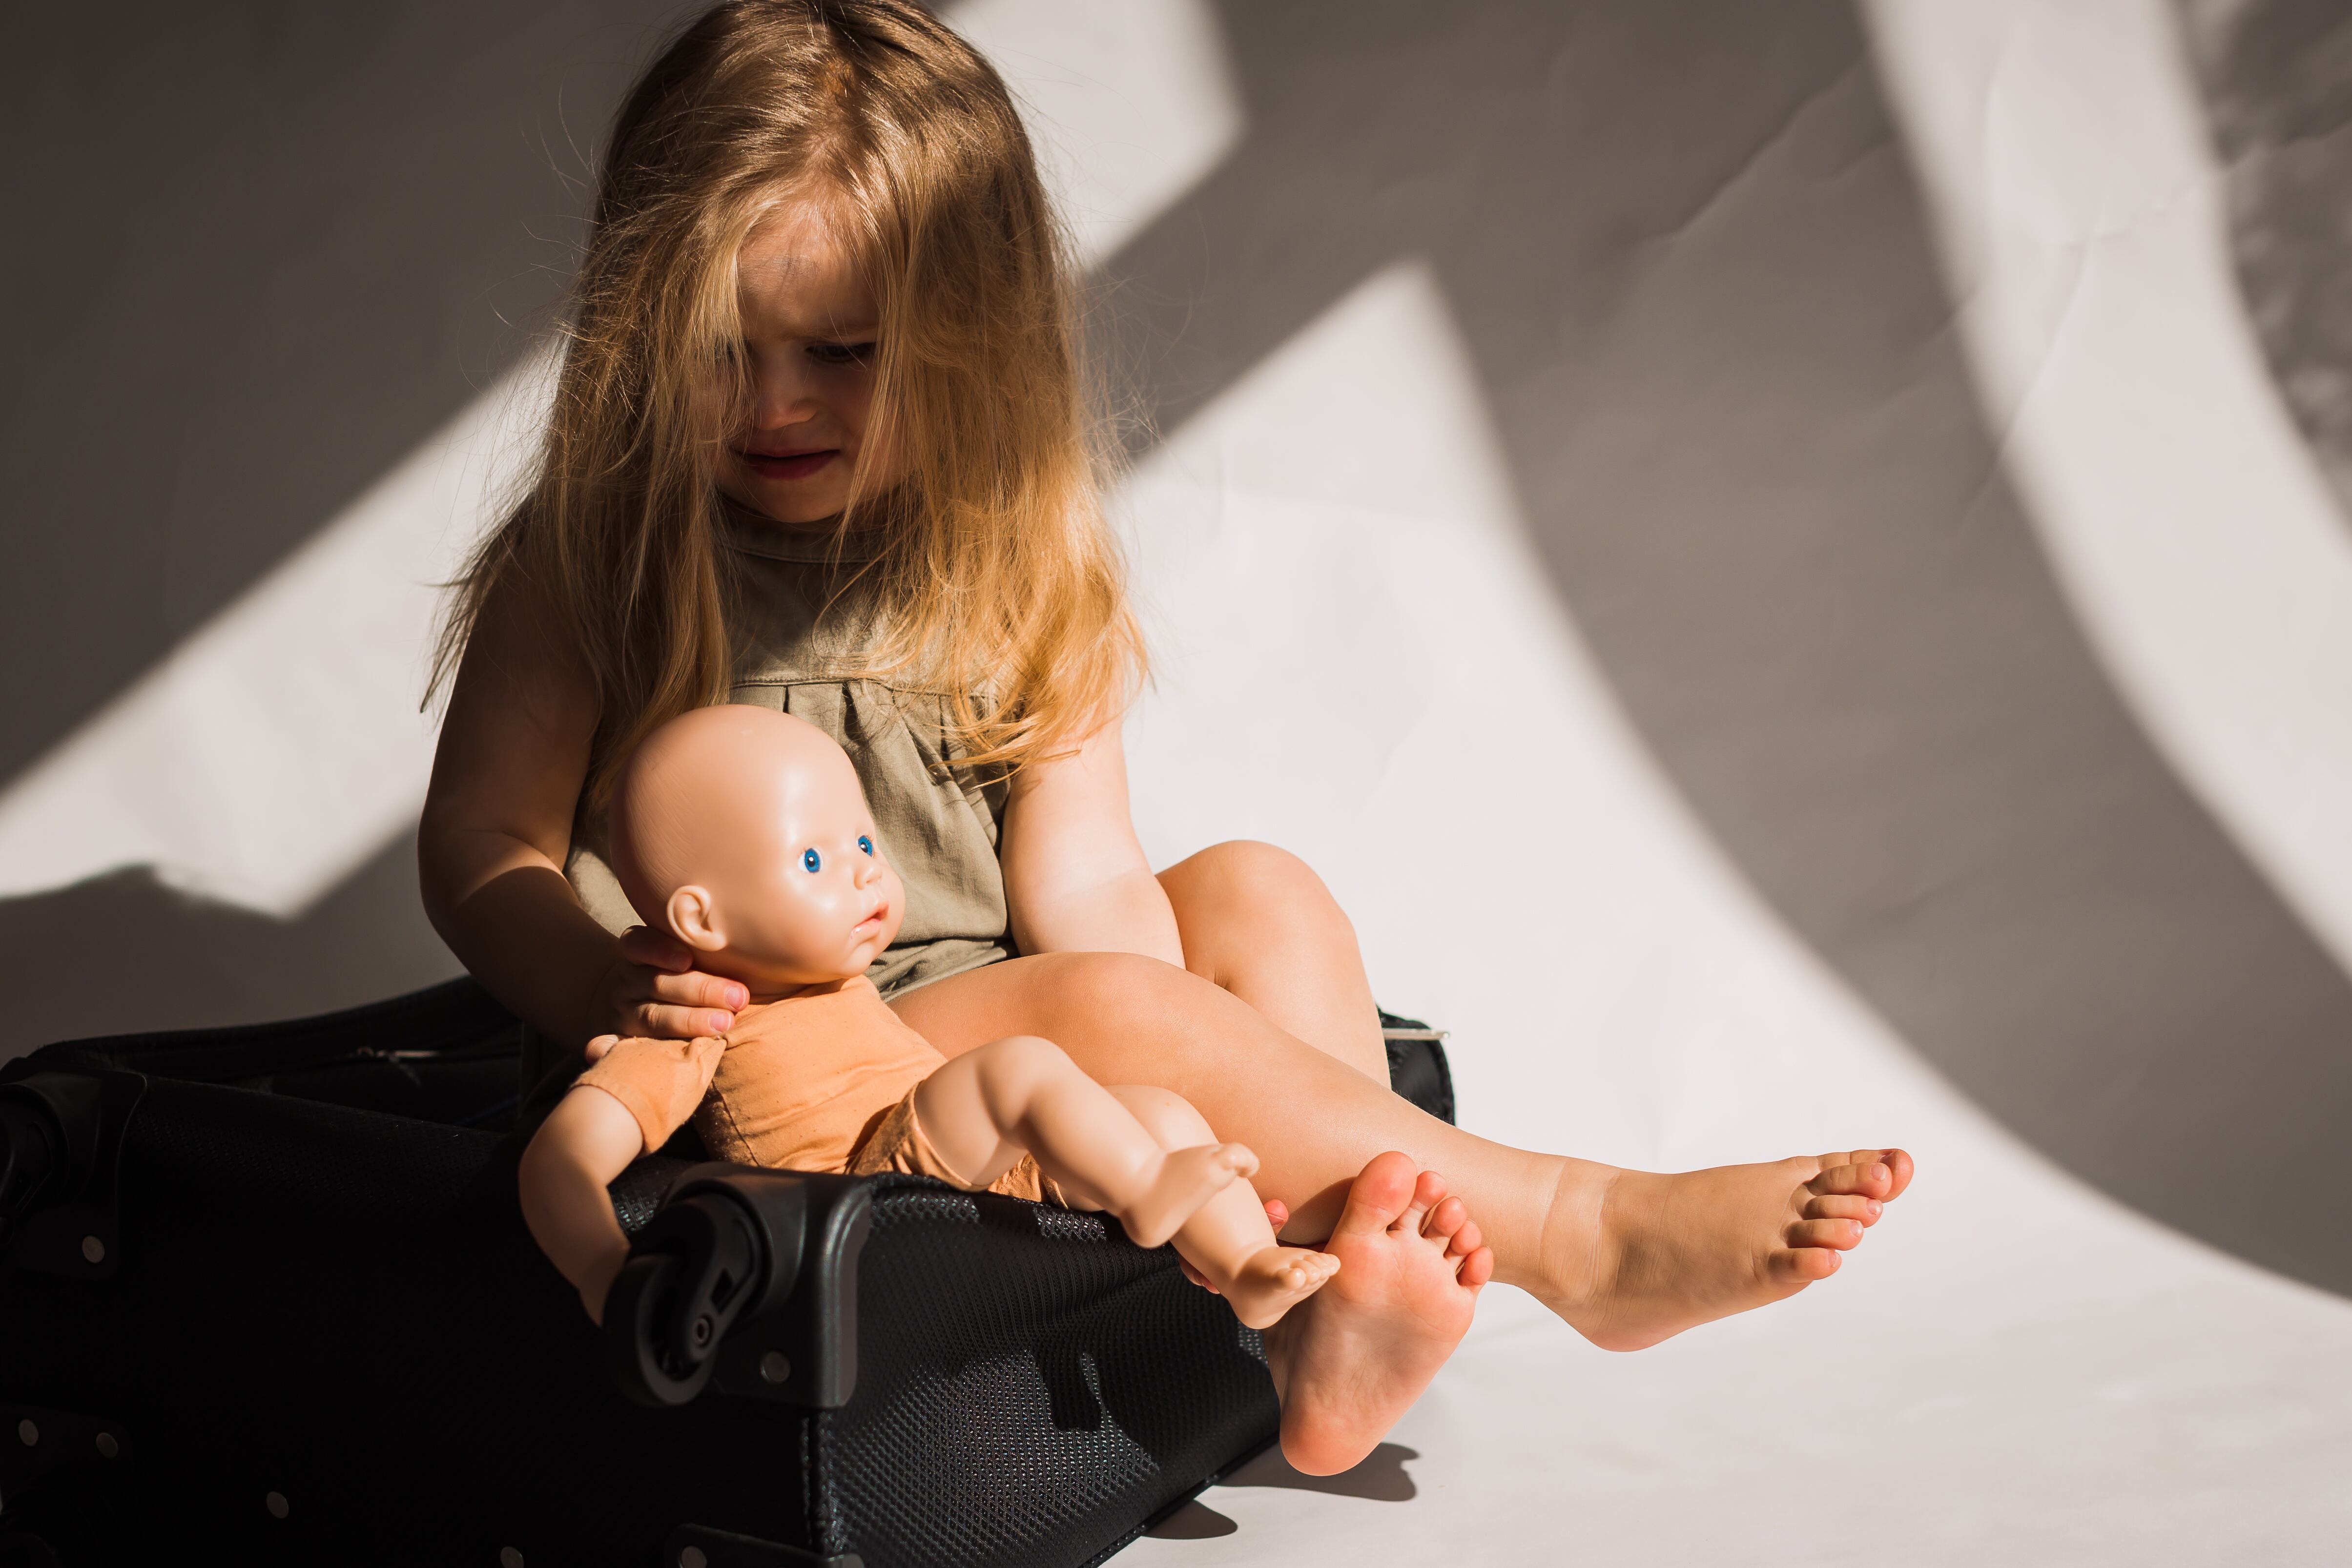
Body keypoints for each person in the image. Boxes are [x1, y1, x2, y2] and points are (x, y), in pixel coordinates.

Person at [419, 0, 1910, 1478]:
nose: (779, 401)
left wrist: (1188, 1031)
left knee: (1259, 889)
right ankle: (1575, 1231)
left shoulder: (1005, 560)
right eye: (721, 351)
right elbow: (482, 843)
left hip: (984, 1032)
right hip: (781, 1077)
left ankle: (1330, 1302)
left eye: (847, 350)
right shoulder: (600, 559)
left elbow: (1088, 891)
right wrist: (606, 975)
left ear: (967, 340)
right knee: (1109, 1006)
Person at [519, 704, 1351, 1337]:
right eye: (814, 861)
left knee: (1159, 1111)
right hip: (868, 1206)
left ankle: (1246, 1268)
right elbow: (559, 1161)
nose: (864, 879)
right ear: (702, 921)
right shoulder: (694, 1024)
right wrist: (606, 1272)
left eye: (863, 845)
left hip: (960, 1169)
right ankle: (1146, 1196)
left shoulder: (836, 982)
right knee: (1014, 1067)